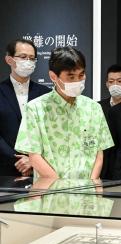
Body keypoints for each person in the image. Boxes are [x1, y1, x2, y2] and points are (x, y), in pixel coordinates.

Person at [14, 46, 114, 179]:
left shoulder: (93, 108)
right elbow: (34, 156)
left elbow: (99, 153)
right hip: (50, 192)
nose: (78, 81)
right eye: (71, 77)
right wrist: (59, 187)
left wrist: (92, 184)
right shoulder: (35, 109)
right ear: (53, 76)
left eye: (81, 75)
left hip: (86, 193)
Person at [0, 39, 50, 177]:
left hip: (41, 170)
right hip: (5, 170)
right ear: (9, 60)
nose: (28, 61)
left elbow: (50, 133)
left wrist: (32, 160)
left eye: (32, 58)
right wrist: (18, 160)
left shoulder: (46, 93)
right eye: (23, 57)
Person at [98, 64, 121, 179]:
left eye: (120, 81)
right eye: (111, 81)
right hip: (104, 165)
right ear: (107, 84)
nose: (115, 85)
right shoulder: (98, 107)